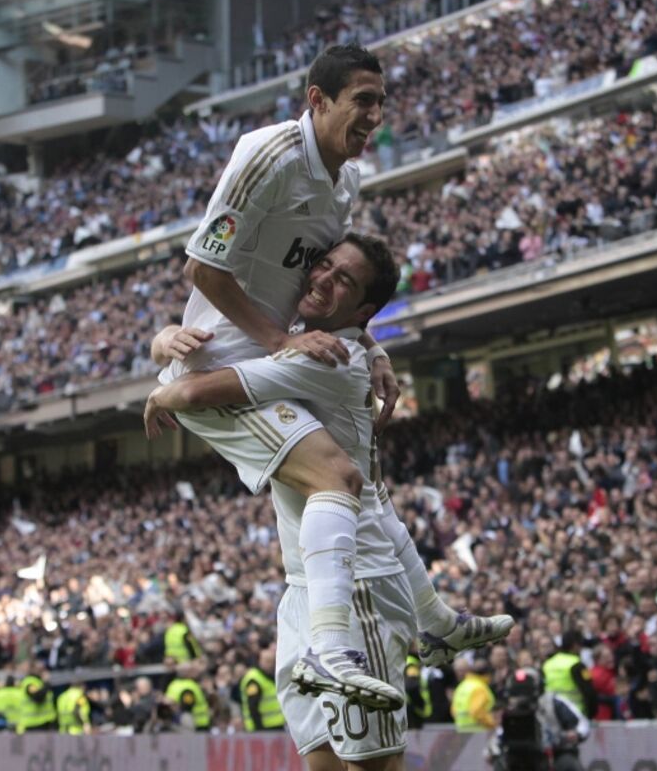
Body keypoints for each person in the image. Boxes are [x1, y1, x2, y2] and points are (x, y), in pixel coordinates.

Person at [156, 43, 509, 711]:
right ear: (317, 100)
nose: (375, 116)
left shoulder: (345, 184)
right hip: (227, 367)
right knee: (337, 476)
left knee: (361, 484)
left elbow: (325, 286)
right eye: (363, 101)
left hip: (276, 366)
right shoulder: (268, 154)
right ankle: (332, 646)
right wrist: (275, 342)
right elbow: (202, 267)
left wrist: (372, 347)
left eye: (381, 103)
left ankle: (429, 623)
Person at [147, 235, 513, 769]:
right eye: (324, 265)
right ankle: (436, 624)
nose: (322, 279)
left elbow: (194, 393)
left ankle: (420, 627)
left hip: (359, 586)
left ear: (362, 311)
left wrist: (160, 390)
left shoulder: (329, 358)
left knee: (372, 766)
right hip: (307, 590)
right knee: (321, 760)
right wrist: (165, 340)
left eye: (344, 280)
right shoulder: (308, 340)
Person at [541, 631, 596, 718]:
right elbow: (589, 691)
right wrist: (591, 714)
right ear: (575, 645)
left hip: (553, 714)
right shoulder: (577, 664)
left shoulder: (548, 664)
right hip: (576, 714)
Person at [239, 644, 284, 732]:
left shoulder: (270, 676)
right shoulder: (254, 679)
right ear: (259, 661)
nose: (270, 664)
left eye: (272, 661)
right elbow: (253, 707)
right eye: (267, 661)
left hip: (275, 725)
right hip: (262, 728)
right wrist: (259, 729)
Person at [453, 657, 496, 733]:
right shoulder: (480, 688)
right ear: (488, 674)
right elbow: (477, 712)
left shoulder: (462, 685)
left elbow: (453, 710)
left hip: (461, 730)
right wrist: (491, 724)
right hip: (477, 732)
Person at [16, 665, 58, 733]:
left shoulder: (38, 682)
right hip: (35, 725)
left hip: (45, 723)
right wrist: (46, 683)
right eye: (41, 669)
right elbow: (38, 697)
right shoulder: (30, 682)